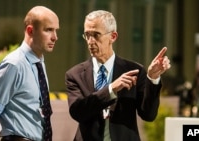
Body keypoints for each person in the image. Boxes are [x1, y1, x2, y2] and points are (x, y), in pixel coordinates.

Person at [65, 10, 171, 141]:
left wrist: (153, 78)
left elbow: (148, 115)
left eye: (96, 35)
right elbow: (77, 112)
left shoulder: (134, 70)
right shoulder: (75, 74)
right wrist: (111, 90)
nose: (90, 41)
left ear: (113, 36)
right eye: (87, 35)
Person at [0, 6, 59, 141]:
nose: (55, 37)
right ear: (30, 31)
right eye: (49, 30)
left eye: (56, 30)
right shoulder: (14, 65)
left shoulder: (39, 62)